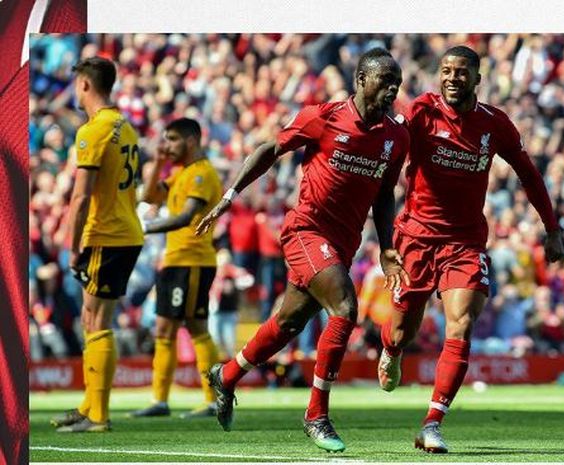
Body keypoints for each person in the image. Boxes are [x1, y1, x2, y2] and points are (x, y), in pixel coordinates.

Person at [195, 47, 410, 452]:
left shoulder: (396, 137)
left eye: (396, 83)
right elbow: (268, 150)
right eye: (385, 80)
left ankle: (225, 376)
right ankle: (317, 414)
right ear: (361, 80)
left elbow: (384, 195)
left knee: (288, 323)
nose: (392, 89)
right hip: (306, 232)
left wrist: (386, 247)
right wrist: (228, 197)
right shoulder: (323, 117)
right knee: (345, 309)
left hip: (344, 243)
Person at [377, 46, 564, 453]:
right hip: (416, 238)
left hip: (465, 242)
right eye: (446, 70)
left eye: (461, 72)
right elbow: (388, 152)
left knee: (460, 324)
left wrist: (551, 229)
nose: (452, 78)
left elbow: (528, 175)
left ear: (477, 79)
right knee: (402, 330)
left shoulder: (494, 124)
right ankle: (391, 350)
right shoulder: (421, 113)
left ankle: (432, 423)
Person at [50, 57, 144, 432]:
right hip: (123, 231)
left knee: (98, 320)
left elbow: (80, 196)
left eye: (76, 85)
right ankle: (90, 405)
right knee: (92, 319)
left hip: (108, 235)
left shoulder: (94, 131)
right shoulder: (125, 126)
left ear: (85, 85)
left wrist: (72, 246)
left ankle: (99, 416)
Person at [128, 118, 222, 419]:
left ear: (191, 141)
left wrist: (142, 227)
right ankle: (161, 400)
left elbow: (185, 218)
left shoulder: (202, 174)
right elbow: (149, 196)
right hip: (174, 260)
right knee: (165, 331)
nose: (166, 145)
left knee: (196, 329)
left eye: (171, 139)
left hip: (193, 262)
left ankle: (212, 399)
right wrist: (156, 161)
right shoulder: (180, 172)